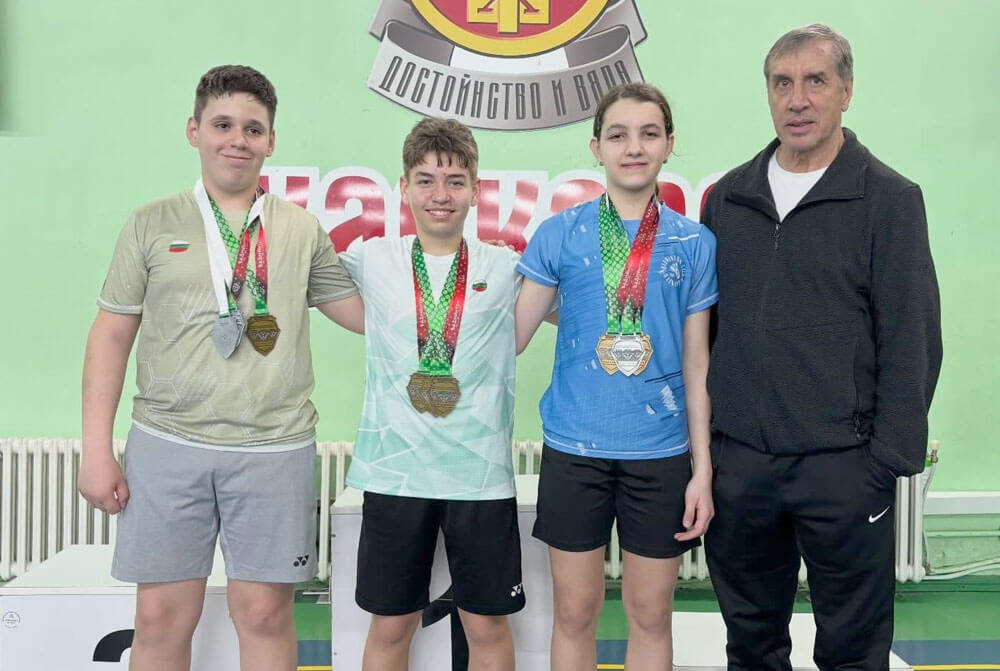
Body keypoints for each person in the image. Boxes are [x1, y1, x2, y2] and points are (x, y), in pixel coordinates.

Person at [78, 65, 363, 671]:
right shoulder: (151, 222)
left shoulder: (302, 230)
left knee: (264, 615)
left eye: (253, 129)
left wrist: (461, 272)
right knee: (160, 617)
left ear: (271, 141)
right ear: (194, 131)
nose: (238, 140)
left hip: (274, 448)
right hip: (167, 444)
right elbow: (110, 335)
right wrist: (95, 450)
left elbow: (362, 314)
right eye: (223, 125)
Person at [701, 24, 943, 671]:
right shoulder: (728, 200)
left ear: (846, 92)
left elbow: (913, 337)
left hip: (845, 469)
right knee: (751, 646)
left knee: (853, 652)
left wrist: (883, 465)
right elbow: (708, 332)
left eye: (816, 81)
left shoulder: (890, 200)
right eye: (782, 83)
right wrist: (715, 453)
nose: (798, 99)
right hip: (742, 467)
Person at [515, 82, 717, 670]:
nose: (634, 147)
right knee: (574, 614)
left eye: (649, 134)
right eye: (618, 135)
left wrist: (702, 469)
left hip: (660, 455)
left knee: (650, 615)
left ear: (669, 145)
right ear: (596, 147)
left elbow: (698, 364)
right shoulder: (560, 234)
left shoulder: (694, 243)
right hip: (574, 450)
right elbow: (511, 339)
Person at [338, 117, 525, 671]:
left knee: (486, 626)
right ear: (403, 187)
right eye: (425, 180)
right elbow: (293, 278)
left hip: (480, 477)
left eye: (454, 181)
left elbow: (579, 307)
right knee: (391, 625)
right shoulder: (371, 259)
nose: (440, 195)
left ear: (476, 189)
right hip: (395, 474)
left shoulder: (506, 266)